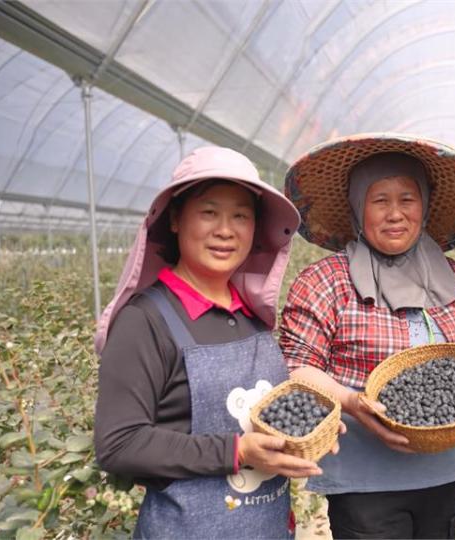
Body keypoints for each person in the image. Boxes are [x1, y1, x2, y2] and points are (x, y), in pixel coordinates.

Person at [93, 147, 331, 539]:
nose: (226, 229)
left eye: (241, 215)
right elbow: (118, 444)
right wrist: (237, 452)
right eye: (209, 212)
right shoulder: (146, 321)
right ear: (174, 219)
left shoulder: (253, 317)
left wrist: (311, 427)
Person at [279, 134, 455, 539]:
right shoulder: (326, 281)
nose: (395, 214)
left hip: (441, 471)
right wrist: (351, 401)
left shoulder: (454, 279)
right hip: (365, 484)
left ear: (425, 206)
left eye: (407, 199)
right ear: (359, 208)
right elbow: (295, 366)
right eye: (380, 200)